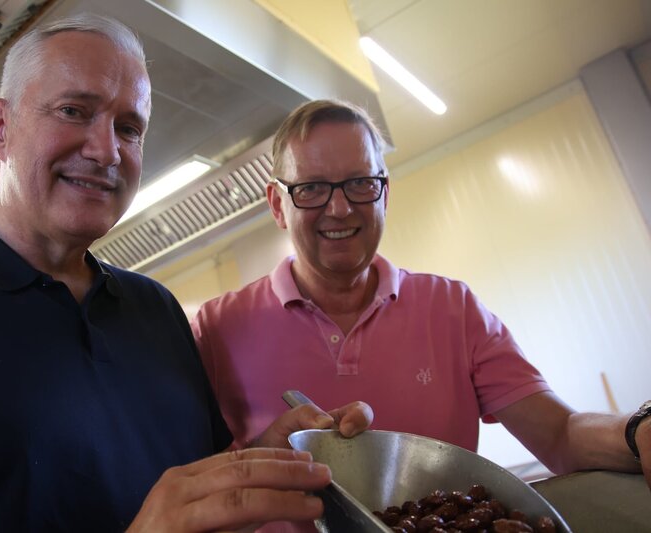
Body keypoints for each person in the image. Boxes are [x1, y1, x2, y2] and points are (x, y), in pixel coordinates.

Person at [0, 17, 373, 533]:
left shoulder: (156, 310)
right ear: (0, 128)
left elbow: (184, 495)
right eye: (73, 111)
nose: (106, 151)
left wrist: (260, 463)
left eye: (129, 128)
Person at [192, 99, 651, 530]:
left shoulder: (453, 308)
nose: (339, 207)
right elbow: (193, 482)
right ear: (277, 204)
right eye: (311, 188)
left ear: (384, 194)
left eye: (360, 183)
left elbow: (560, 433)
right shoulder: (214, 331)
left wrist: (638, 431)